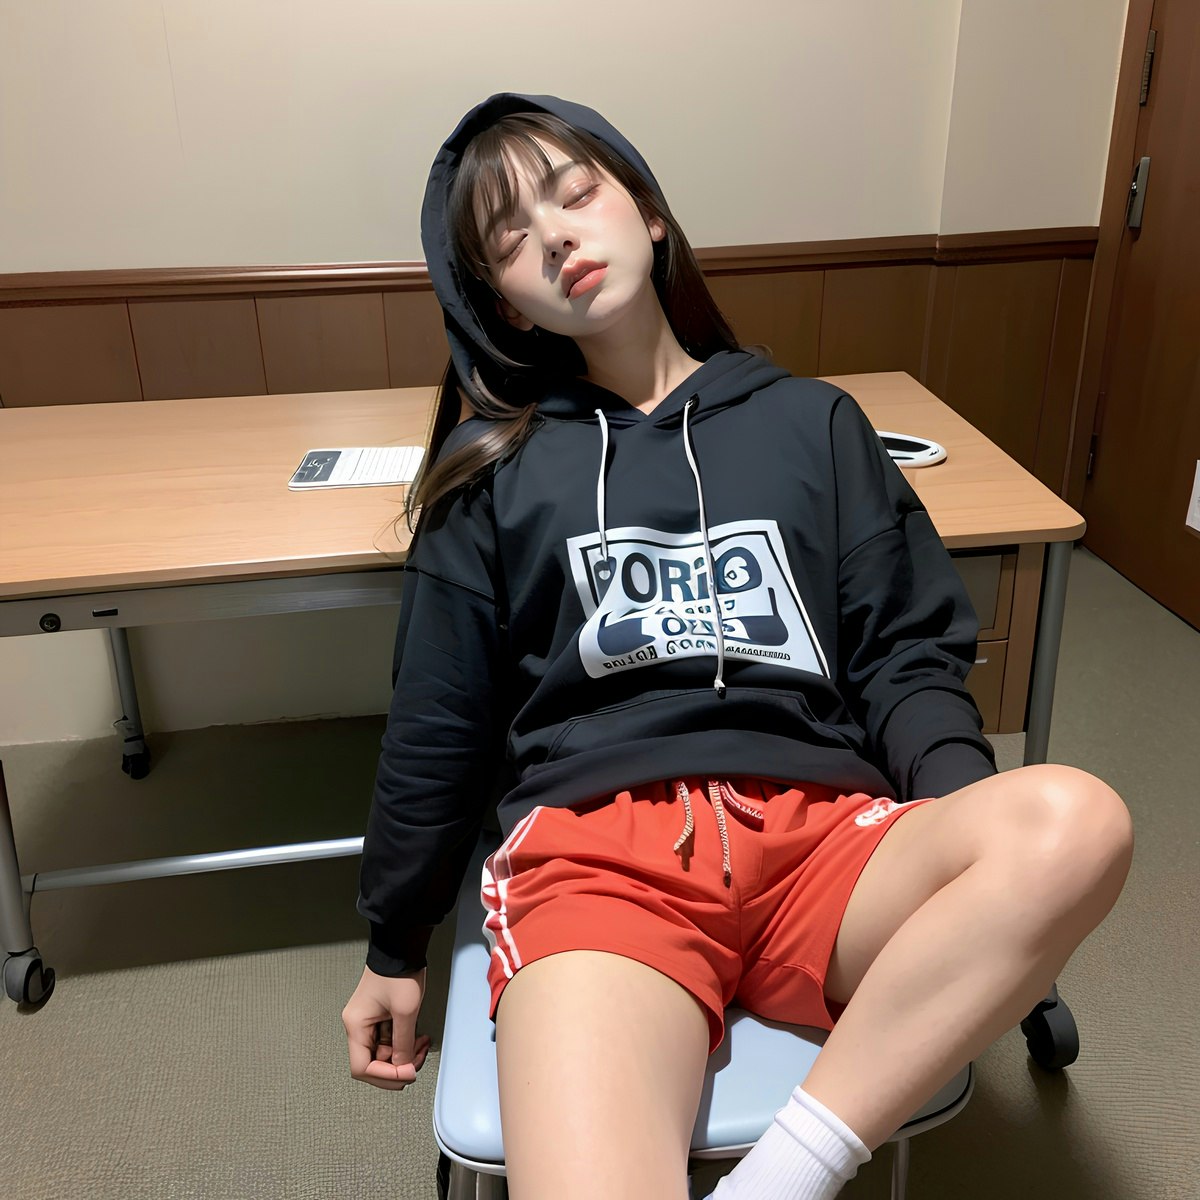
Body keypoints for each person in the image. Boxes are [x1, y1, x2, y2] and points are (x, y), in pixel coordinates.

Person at [341, 93, 1133, 1200]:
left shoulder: (814, 424)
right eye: (512, 239)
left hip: (825, 836)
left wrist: (966, 850)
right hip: (601, 861)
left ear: (649, 213)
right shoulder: (491, 474)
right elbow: (439, 723)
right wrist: (395, 943)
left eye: (576, 194)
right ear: (504, 304)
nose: (557, 236)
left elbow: (905, 660)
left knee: (1073, 821)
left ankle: (787, 1176)